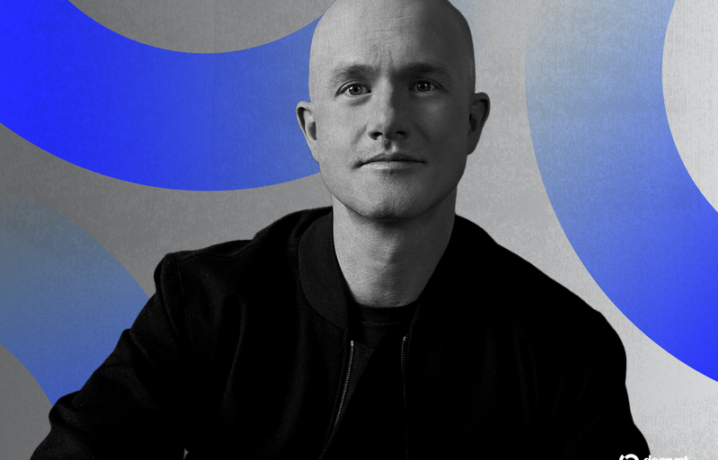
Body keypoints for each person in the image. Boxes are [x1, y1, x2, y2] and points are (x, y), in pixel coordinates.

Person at [32, 0, 650, 458]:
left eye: (423, 84)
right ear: (313, 130)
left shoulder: (567, 347)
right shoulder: (203, 305)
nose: (387, 119)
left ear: (472, 122)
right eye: (354, 88)